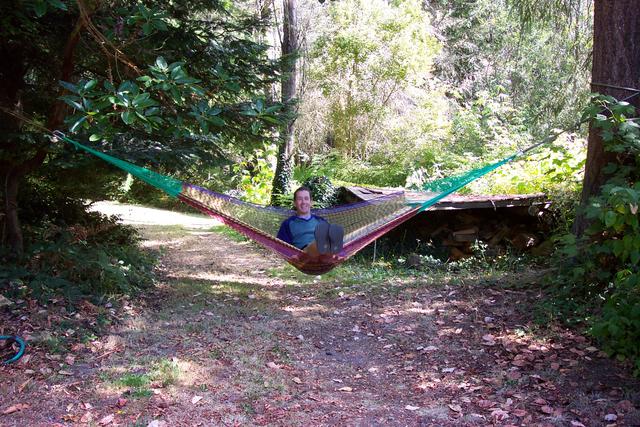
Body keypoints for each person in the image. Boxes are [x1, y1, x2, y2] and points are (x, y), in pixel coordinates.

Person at [277, 186, 344, 257]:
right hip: (303, 255)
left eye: (306, 198)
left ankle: (333, 257)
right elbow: (281, 246)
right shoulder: (288, 223)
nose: (303, 202)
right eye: (299, 199)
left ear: (311, 202)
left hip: (324, 254)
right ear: (295, 203)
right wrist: (292, 256)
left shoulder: (320, 221)